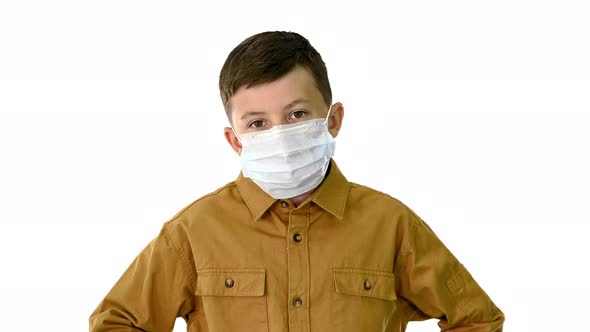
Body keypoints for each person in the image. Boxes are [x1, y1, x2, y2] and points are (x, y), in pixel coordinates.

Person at [89, 31, 505, 332]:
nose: (279, 134)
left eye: (297, 115)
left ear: (334, 119)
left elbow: (477, 320)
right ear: (235, 141)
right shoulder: (194, 231)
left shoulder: (391, 224)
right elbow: (117, 322)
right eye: (257, 123)